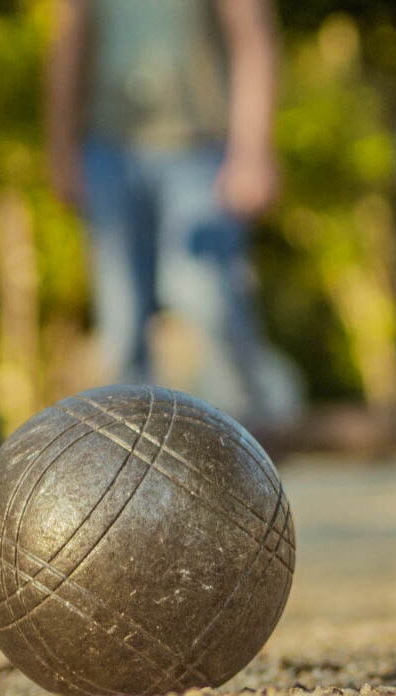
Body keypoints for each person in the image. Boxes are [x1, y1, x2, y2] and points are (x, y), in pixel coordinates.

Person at [46, 0, 303, 435]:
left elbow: (251, 34)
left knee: (209, 301)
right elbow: (69, 38)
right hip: (109, 149)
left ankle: (253, 442)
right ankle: (129, 464)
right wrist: (60, 148)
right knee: (122, 321)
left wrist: (253, 150)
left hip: (199, 149)